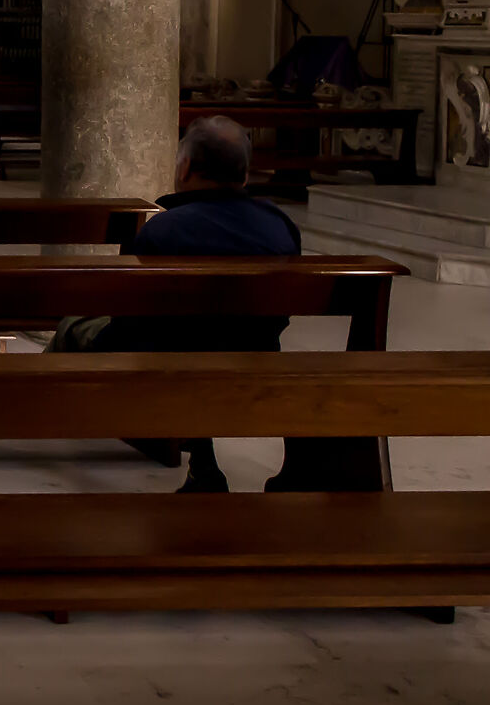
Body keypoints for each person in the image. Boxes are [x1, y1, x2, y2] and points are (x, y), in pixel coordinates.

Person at [56, 114, 313, 494]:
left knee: (73, 327)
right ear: (244, 175)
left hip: (172, 365)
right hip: (257, 354)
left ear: (186, 167)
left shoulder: (165, 230)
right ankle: (201, 462)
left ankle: (50, 430)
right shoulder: (279, 225)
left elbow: (132, 327)